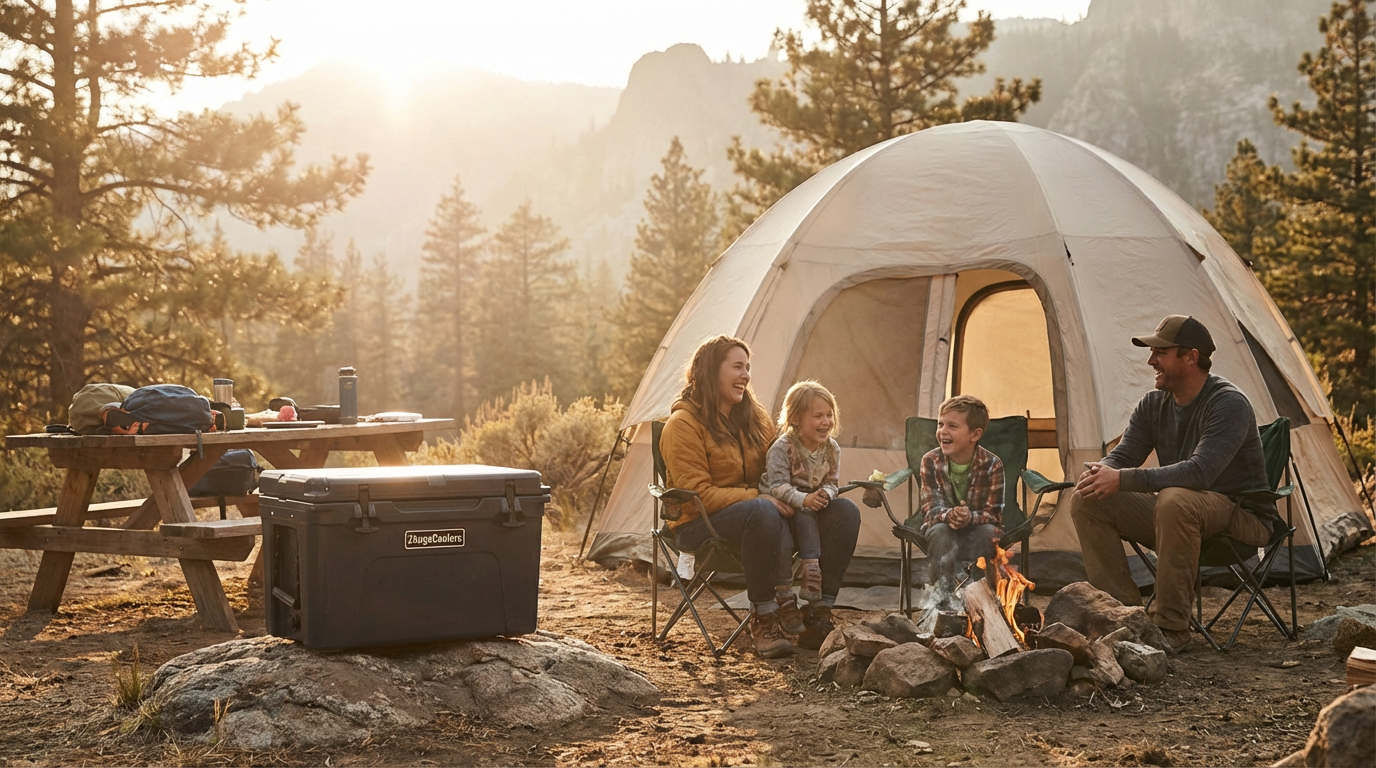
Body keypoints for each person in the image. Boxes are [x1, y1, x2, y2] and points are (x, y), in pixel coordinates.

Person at [1071, 315, 1275, 653]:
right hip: (1178, 519)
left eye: (1160, 352)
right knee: (1088, 497)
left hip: (1241, 518)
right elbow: (1123, 455)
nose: (1151, 361)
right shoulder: (1154, 404)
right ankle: (1122, 618)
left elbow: (1200, 473)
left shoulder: (1228, 403)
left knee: (1175, 499)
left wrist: (1122, 479)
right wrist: (1101, 471)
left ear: (1190, 357)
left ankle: (1171, 627)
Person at [660, 336, 861, 658]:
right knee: (762, 511)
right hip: (701, 525)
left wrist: (814, 485)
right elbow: (697, 496)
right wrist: (758, 497)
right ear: (711, 371)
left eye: (748, 367)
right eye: (737, 367)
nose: (746, 375)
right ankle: (765, 618)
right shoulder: (683, 425)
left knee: (844, 512)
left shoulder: (753, 419)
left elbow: (780, 469)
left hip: (768, 521)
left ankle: (816, 615)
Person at [916, 395, 1004, 610]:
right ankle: (941, 598)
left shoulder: (992, 464)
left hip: (978, 527)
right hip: (943, 526)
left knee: (987, 533)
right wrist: (950, 515)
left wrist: (969, 517)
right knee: (939, 532)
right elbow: (930, 509)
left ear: (975, 434)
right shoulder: (930, 461)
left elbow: (994, 514)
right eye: (940, 424)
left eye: (952, 426)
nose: (943, 431)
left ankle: (981, 598)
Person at [760, 381, 842, 605]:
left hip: (808, 503)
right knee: (793, 526)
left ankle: (813, 573)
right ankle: (787, 588)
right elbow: (777, 486)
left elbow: (832, 482)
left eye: (829, 415)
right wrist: (804, 499)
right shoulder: (782, 448)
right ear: (795, 418)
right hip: (779, 504)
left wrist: (826, 493)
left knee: (810, 513)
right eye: (818, 416)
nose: (826, 422)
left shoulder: (831, 448)